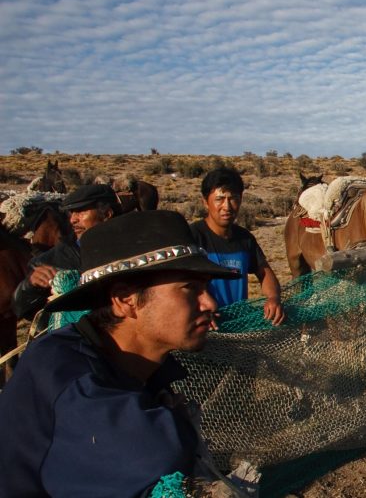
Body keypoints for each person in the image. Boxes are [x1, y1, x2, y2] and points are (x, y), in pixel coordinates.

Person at [0, 210, 249, 496]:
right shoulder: (70, 378)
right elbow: (157, 453)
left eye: (207, 288)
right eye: (190, 288)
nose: (210, 303)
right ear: (124, 300)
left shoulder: (122, 362)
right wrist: (176, 420)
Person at [12, 183, 121, 321]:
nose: (73, 219)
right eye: (71, 212)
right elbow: (23, 310)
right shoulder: (49, 261)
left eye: (81, 212)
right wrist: (30, 287)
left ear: (107, 214)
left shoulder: (135, 249)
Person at [190, 167, 284, 325]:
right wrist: (201, 306)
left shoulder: (245, 239)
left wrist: (273, 298)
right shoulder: (193, 237)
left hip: (238, 325)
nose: (227, 206)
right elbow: (180, 284)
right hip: (204, 326)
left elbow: (264, 272)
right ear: (205, 202)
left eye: (233, 198)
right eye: (219, 199)